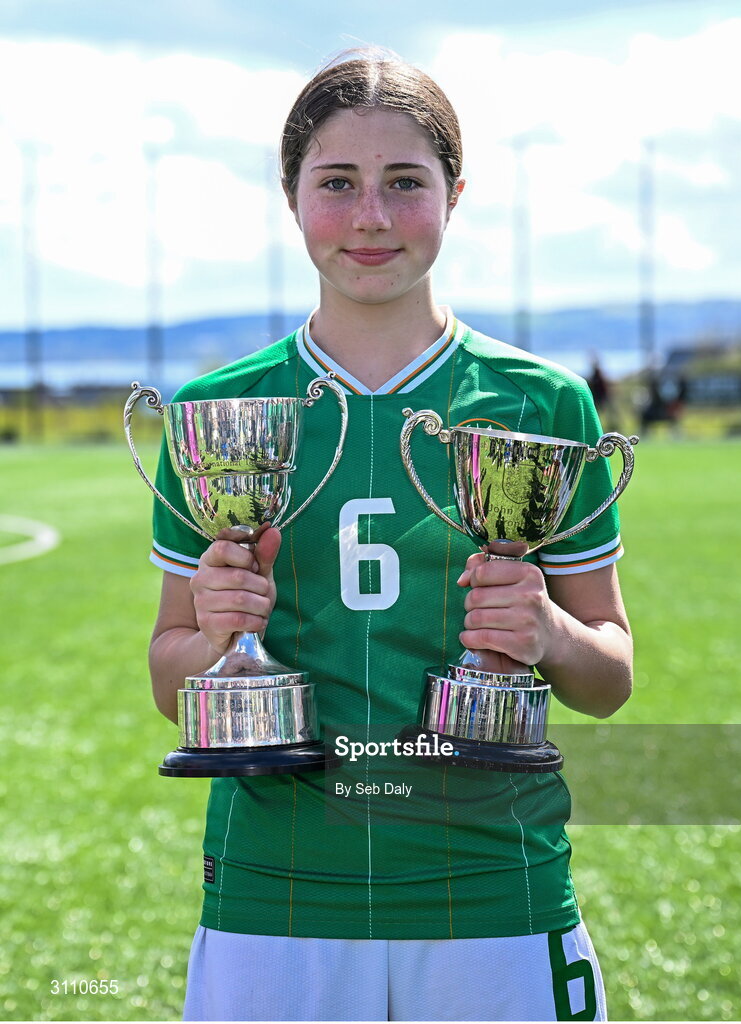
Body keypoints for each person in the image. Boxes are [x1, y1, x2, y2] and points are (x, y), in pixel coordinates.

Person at [147, 50, 633, 1022]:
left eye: (403, 182)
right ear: (290, 197)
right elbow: (169, 679)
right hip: (274, 894)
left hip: (490, 885)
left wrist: (543, 633)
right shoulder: (217, 415)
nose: (370, 215)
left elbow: (609, 673)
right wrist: (212, 634)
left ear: (454, 193)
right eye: (336, 182)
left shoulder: (541, 405)